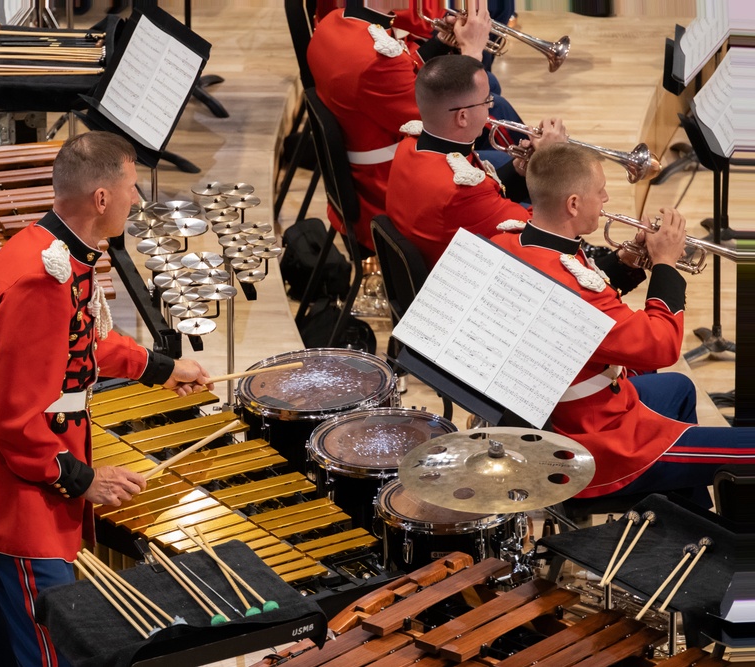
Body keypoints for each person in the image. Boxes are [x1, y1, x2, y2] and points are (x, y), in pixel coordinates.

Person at [0, 131, 213, 666]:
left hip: (24, 476)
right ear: (102, 198)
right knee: (47, 651)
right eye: (131, 188)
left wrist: (159, 368)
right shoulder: (40, 281)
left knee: (24, 646)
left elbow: (79, 341)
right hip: (17, 492)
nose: (137, 200)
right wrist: (86, 480)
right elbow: (17, 423)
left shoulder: (54, 247)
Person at [493, 143, 755, 501]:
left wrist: (632, 257)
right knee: (749, 449)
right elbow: (661, 346)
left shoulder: (510, 241)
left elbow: (587, 282)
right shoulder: (575, 293)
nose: (606, 198)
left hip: (560, 413)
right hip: (596, 450)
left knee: (679, 389)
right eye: (599, 191)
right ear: (573, 203)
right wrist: (664, 263)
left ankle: (684, 524)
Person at [306, 2, 524, 251]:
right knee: (528, 193)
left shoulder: (334, 23)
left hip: (379, 165)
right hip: (391, 189)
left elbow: (401, 73)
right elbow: (443, 115)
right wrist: (472, 51)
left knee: (502, 125)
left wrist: (441, 43)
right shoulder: (374, 60)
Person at [385, 53, 566, 268]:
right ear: (462, 117)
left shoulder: (410, 144)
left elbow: (486, 193)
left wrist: (521, 166)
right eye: (486, 101)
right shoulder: (461, 192)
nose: (491, 107)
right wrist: (550, 161)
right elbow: (542, 230)